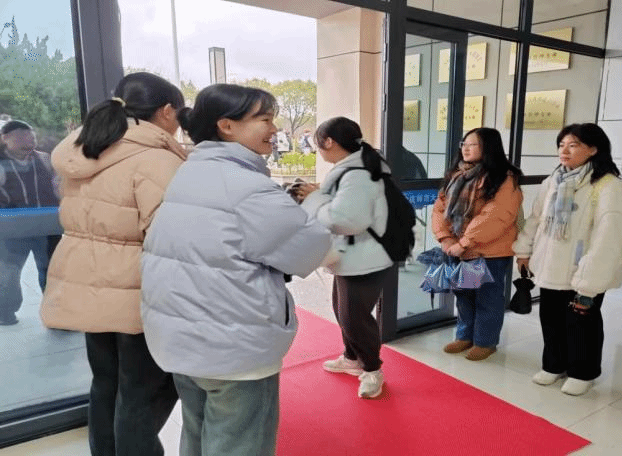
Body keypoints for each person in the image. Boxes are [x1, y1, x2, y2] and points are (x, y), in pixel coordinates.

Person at [140, 84, 331, 456]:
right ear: (226, 125)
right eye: (264, 119)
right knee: (241, 444)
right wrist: (314, 208)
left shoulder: (190, 173)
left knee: (196, 434)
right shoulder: (247, 188)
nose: (274, 129)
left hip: (182, 338)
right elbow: (310, 248)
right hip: (232, 347)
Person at [39, 72, 186, 455]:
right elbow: (168, 236)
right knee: (142, 392)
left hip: (87, 284)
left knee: (105, 384)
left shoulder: (87, 149)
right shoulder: (156, 158)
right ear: (166, 111)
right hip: (137, 289)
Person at [513, 123, 622, 396]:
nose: (564, 151)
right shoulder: (553, 181)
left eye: (573, 145)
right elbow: (536, 220)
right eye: (561, 145)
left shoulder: (609, 186)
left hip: (583, 270)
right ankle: (554, 365)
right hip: (550, 267)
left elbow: (609, 237)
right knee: (550, 319)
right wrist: (524, 250)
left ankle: (583, 372)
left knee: (581, 323)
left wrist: (589, 282)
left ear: (593, 149)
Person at [298, 116, 394, 399]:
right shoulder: (355, 167)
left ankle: (373, 369)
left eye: (317, 143)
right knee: (343, 310)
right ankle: (352, 358)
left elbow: (349, 220)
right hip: (354, 254)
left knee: (354, 317)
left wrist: (315, 199)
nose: (318, 150)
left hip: (366, 256)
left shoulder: (358, 172)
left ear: (329, 142)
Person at [431, 127, 523, 361]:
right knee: (465, 295)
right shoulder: (457, 175)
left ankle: (485, 341)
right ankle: (465, 336)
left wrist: (465, 242)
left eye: (473, 144)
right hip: (459, 248)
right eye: (464, 143)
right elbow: (440, 208)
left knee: (487, 297)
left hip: (488, 251)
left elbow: (497, 215)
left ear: (489, 148)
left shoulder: (504, 177)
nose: (466, 148)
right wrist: (446, 238)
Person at [0, 120, 60, 325]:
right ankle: (5, 312)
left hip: (47, 225)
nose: (29, 140)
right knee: (9, 272)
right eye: (22, 136)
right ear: (5, 138)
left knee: (53, 271)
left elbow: (58, 186)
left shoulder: (44, 159)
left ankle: (57, 314)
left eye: (31, 135)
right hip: (12, 229)